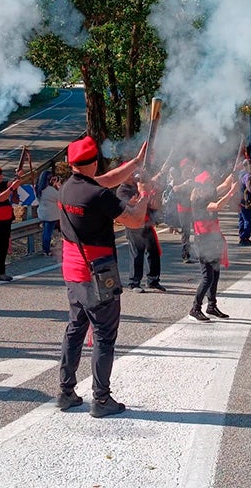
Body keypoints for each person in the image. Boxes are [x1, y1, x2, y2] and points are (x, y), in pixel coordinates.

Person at [56, 135, 148, 418]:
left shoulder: (68, 188)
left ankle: (66, 392)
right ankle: (102, 398)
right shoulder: (97, 195)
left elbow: (105, 180)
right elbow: (134, 219)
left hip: (73, 270)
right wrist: (144, 195)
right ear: (93, 162)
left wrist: (134, 164)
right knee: (105, 336)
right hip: (98, 273)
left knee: (75, 329)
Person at [189, 169, 238, 321]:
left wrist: (233, 175)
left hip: (213, 239)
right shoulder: (199, 200)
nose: (211, 185)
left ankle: (211, 306)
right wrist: (231, 192)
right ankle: (195, 308)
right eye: (209, 183)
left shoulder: (206, 192)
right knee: (207, 277)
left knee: (215, 275)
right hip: (203, 241)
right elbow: (217, 206)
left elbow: (223, 184)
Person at [117, 171, 166, 292]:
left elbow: (152, 205)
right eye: (128, 174)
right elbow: (131, 203)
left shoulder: (138, 185)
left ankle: (153, 280)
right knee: (137, 253)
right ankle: (134, 283)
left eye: (132, 174)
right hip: (133, 225)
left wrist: (155, 193)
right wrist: (142, 192)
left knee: (153, 252)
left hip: (147, 222)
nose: (131, 176)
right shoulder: (122, 190)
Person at [37, 171, 61, 256]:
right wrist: (57, 186)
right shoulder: (50, 190)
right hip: (51, 215)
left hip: (43, 213)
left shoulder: (39, 189)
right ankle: (46, 250)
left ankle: (45, 248)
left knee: (46, 232)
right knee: (48, 232)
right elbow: (60, 197)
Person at [236, 159, 251, 245]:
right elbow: (249, 187)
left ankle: (242, 236)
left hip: (240, 198)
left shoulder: (239, 174)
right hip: (247, 200)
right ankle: (245, 238)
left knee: (242, 219)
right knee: (248, 220)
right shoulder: (247, 175)